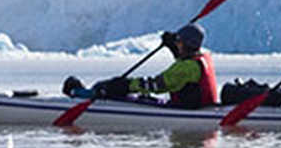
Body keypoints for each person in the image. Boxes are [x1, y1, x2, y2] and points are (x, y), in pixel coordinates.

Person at [65, 23, 219, 109]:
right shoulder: (201, 59)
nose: (177, 44)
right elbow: (183, 62)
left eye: (179, 42)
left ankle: (78, 92)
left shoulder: (186, 68)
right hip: (196, 106)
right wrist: (171, 45)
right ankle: (87, 92)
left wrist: (126, 86)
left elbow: (156, 85)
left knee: (108, 89)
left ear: (187, 44)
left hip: (184, 110)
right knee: (112, 87)